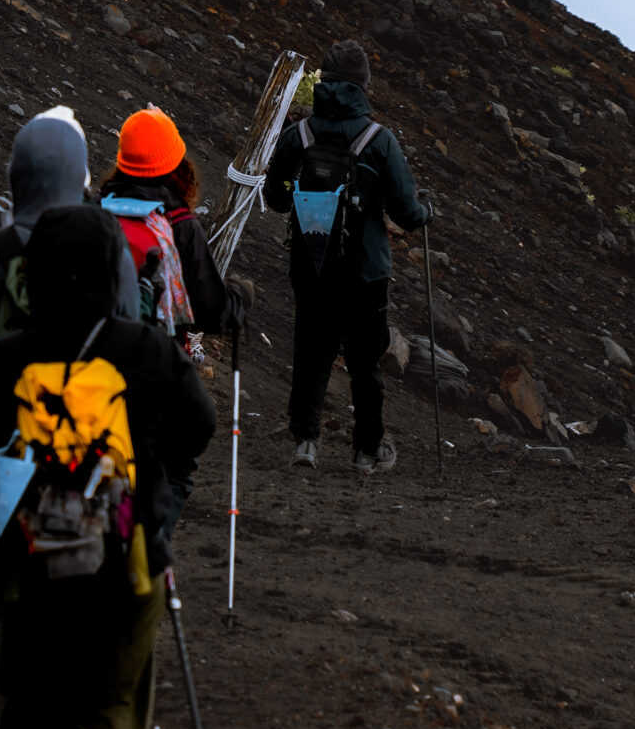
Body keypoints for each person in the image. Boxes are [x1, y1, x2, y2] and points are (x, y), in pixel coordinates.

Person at [0, 203, 215, 729]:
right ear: (115, 271)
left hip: (32, 562)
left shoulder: (12, 360)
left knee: (35, 697)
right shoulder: (147, 354)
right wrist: (153, 481)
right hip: (125, 558)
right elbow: (200, 426)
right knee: (110, 703)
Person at [0, 106, 140, 729]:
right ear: (77, 176)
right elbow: (127, 338)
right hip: (75, 445)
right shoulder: (108, 255)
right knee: (66, 583)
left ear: (16, 173)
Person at [266, 38, 427, 474]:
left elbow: (275, 199)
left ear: (324, 81)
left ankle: (306, 444)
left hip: (311, 263)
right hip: (365, 271)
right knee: (364, 361)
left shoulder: (298, 135)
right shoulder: (380, 140)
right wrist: (425, 211)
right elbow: (407, 214)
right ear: (363, 85)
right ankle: (366, 451)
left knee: (312, 350)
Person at [97, 105, 241, 342]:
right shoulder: (180, 225)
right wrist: (238, 301)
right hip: (152, 358)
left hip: (88, 347)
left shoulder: (96, 209)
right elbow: (211, 313)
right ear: (175, 163)